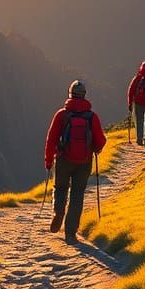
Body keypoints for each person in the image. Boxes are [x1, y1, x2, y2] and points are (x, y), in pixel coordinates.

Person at [44, 80, 107, 243]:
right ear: (84, 95)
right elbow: (101, 140)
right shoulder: (91, 117)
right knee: (77, 194)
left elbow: (51, 139)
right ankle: (70, 233)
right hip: (84, 161)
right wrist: (95, 148)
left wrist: (49, 161)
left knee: (60, 188)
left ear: (70, 94)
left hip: (63, 159)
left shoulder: (62, 115)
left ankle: (58, 212)